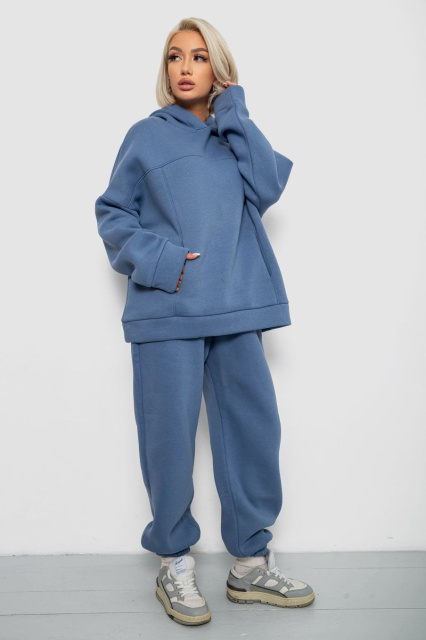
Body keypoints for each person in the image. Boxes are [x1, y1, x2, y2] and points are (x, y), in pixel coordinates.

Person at [95, 16, 315, 626]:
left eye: (198, 56)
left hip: (238, 304)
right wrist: (163, 260)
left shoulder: (234, 134)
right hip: (167, 309)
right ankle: (173, 562)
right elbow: (112, 214)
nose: (185, 67)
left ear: (217, 67)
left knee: (253, 432)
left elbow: (268, 187)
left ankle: (251, 564)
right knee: (167, 438)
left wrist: (234, 108)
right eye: (175, 56)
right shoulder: (146, 135)